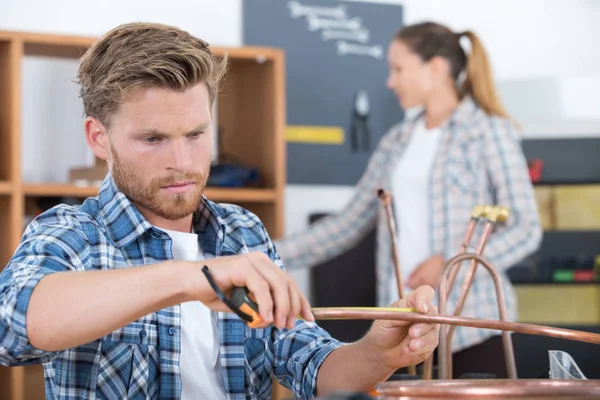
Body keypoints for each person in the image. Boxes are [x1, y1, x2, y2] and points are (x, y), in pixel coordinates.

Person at [0, 22, 439, 399]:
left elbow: (311, 365)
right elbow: (12, 324)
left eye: (195, 133)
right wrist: (188, 278)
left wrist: (377, 354)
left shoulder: (242, 232)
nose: (183, 161)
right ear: (98, 138)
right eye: (153, 139)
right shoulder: (70, 233)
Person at [275, 21, 543, 379]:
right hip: (405, 331)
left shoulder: (487, 131)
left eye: (398, 68)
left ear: (435, 67)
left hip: (473, 330)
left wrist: (449, 265)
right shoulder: (397, 141)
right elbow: (346, 224)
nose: (390, 81)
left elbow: (526, 228)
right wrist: (265, 255)